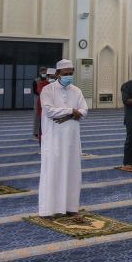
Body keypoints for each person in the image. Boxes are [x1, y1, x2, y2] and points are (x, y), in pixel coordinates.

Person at [39, 59, 89, 218]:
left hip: (72, 140)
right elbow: (49, 111)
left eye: (71, 74)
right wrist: (71, 111)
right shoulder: (48, 90)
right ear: (58, 74)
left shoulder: (77, 91)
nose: (69, 76)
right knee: (53, 171)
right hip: (54, 139)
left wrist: (73, 113)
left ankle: (71, 207)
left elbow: (84, 110)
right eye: (66, 74)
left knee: (72, 172)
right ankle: (49, 209)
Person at [34, 68, 52, 143]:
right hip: (40, 103)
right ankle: (37, 134)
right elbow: (37, 91)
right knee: (39, 120)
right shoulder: (38, 82)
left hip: (50, 106)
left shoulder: (52, 83)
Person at [32, 67, 47, 141]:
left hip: (46, 99)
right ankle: (35, 133)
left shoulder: (48, 80)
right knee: (37, 116)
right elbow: (35, 91)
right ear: (40, 72)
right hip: (38, 99)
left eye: (45, 72)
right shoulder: (36, 81)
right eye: (43, 72)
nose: (44, 74)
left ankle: (44, 132)